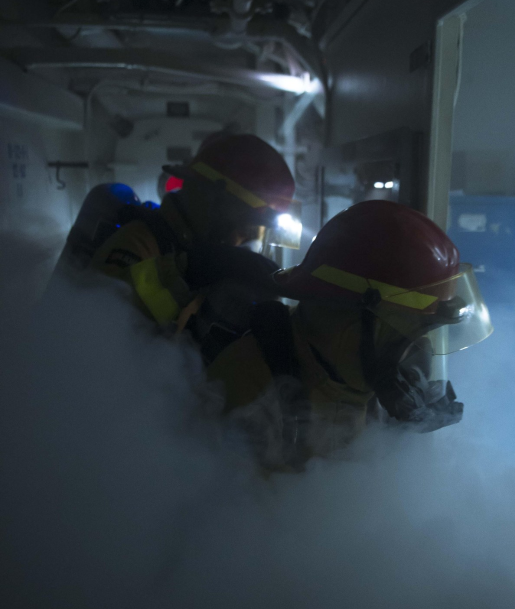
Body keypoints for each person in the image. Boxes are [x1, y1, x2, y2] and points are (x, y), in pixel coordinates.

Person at [207, 200, 493, 469]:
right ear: (354, 321)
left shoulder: (353, 381)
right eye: (411, 334)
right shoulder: (248, 388)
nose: (418, 362)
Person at [79, 132, 296, 358]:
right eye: (243, 227)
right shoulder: (138, 241)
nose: (241, 243)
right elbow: (96, 339)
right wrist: (186, 270)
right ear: (216, 197)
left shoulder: (194, 247)